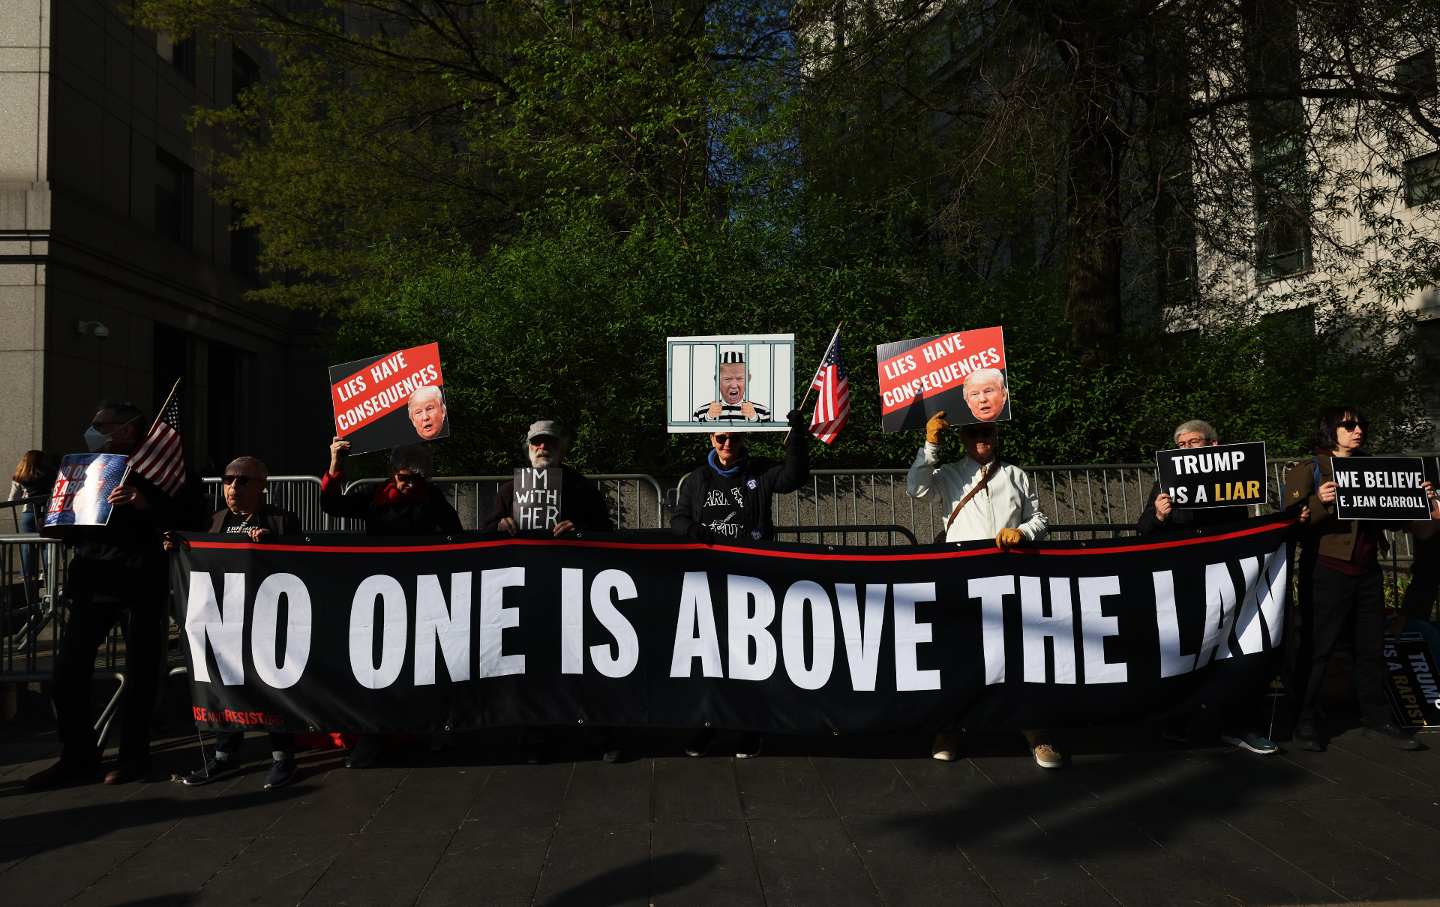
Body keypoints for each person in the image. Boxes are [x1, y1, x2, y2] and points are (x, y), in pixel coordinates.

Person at [25, 402, 206, 789]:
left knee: (142, 675)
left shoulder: (165, 471)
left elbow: (193, 519)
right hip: (93, 583)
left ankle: (134, 758)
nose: (92, 430)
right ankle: (77, 756)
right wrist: (58, 525)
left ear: (126, 430)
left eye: (100, 425)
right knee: (67, 673)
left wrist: (145, 505)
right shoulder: (86, 468)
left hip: (142, 584)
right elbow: (77, 523)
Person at [906, 413, 1059, 769]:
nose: (980, 437)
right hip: (963, 576)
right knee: (960, 655)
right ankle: (950, 729)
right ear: (962, 438)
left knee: (1021, 656)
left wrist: (1023, 533)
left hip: (1010, 577)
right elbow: (916, 489)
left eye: (986, 431)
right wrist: (931, 444)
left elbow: (1040, 519)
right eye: (973, 432)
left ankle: (1035, 732)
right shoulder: (947, 474)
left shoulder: (1016, 474)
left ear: (995, 434)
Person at [1283, 406, 1438, 752]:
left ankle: (1376, 717)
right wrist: (1319, 502)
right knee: (1317, 646)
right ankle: (1304, 719)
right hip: (1326, 568)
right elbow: (1292, 522)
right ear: (1330, 430)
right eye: (1348, 425)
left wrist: (1418, 499)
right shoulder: (1309, 469)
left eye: (1361, 425)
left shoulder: (1377, 469)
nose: (1357, 431)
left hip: (1367, 570)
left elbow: (1396, 520)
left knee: (1370, 647)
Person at [672, 408, 809, 757]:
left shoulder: (759, 472)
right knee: (708, 658)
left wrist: (797, 436)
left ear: (744, 438)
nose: (727, 442)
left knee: (750, 658)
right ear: (710, 439)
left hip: (753, 579)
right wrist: (693, 531)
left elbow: (794, 478)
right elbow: (678, 518)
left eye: (733, 436)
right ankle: (707, 725)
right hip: (709, 581)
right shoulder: (696, 480)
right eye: (721, 436)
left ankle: (749, 728)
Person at [1137, 420, 1279, 756]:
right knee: (1186, 651)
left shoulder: (1233, 478)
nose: (1187, 450)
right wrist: (1158, 515)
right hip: (1186, 580)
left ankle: (1240, 725)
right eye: (1181, 445)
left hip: (1228, 580)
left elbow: (1244, 526)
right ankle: (1178, 721)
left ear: (1213, 446)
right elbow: (1143, 530)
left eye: (1193, 443)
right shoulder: (1165, 482)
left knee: (1239, 650)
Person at [321, 439, 462, 767]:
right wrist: (336, 463)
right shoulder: (374, 497)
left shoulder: (433, 499)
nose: (409, 484)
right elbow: (331, 506)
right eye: (403, 478)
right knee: (377, 667)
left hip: (422, 596)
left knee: (424, 665)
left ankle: (428, 729)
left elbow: (456, 534)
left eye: (415, 478)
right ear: (392, 474)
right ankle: (374, 736)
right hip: (380, 597)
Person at [173, 456, 303, 789]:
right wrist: (176, 549)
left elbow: (302, 563)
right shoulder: (215, 520)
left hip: (268, 621)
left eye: (243, 481)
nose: (233, 487)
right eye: (228, 480)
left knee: (275, 686)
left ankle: (282, 758)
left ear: (262, 486)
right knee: (226, 685)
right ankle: (224, 755)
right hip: (227, 621)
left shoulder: (281, 519)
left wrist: (273, 545)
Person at [481, 420, 614, 537]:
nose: (543, 446)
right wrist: (499, 526)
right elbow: (486, 530)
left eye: (550, 441)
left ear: (561, 449)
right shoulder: (509, 490)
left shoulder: (583, 489)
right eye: (536, 442)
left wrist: (581, 531)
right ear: (528, 449)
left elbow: (605, 529)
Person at [9, 449, 58, 581]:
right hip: (48, 513)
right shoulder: (51, 474)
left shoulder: (20, 476)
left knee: (27, 546)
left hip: (28, 513)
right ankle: (47, 574)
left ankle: (27, 576)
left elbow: (12, 499)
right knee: (48, 544)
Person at [692, 351, 772, 423]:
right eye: (727, 379)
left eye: (739, 378)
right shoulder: (700, 413)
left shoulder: (763, 412)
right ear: (717, 380)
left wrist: (754, 418)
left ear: (748, 379)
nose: (734, 385)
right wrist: (708, 417)